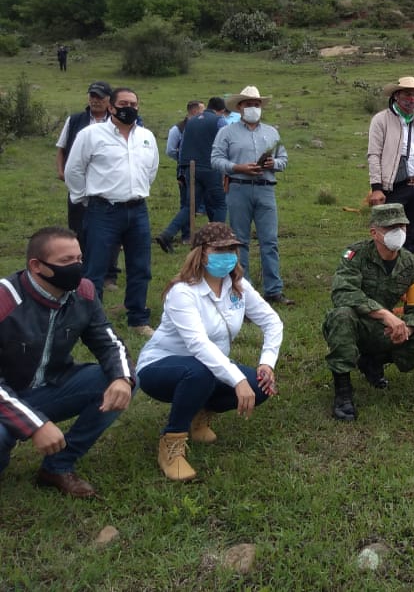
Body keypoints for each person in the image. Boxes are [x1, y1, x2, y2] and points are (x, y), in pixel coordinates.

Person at [136, 223, 282, 481]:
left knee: (260, 387)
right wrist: (236, 379)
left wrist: (266, 364)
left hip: (209, 366)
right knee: (200, 371)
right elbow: (197, 344)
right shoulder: (182, 292)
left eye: (232, 249)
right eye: (219, 249)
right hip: (160, 368)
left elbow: (272, 322)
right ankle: (172, 444)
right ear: (201, 253)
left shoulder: (237, 286)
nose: (228, 254)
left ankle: (199, 414)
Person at [0, 226, 134, 498]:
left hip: (50, 388)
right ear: (36, 266)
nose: (76, 267)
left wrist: (122, 378)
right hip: (5, 397)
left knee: (119, 381)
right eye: (66, 261)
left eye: (79, 259)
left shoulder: (83, 293)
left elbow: (108, 341)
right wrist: (34, 425)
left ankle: (57, 466)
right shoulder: (5, 299)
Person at [322, 204, 414, 421]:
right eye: (390, 227)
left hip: (385, 331)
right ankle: (343, 391)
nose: (398, 233)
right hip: (356, 325)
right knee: (341, 316)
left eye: (401, 226)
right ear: (374, 232)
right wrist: (386, 315)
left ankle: (373, 362)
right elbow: (343, 292)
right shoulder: (355, 255)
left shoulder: (412, 264)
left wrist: (408, 328)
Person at [64, 86, 160, 336]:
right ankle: (91, 321)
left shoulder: (146, 137)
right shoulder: (91, 134)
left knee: (140, 267)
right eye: (124, 103)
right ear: (111, 107)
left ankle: (138, 319)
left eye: (133, 104)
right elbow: (74, 169)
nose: (129, 108)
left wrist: (136, 191)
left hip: (138, 210)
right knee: (95, 267)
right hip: (103, 210)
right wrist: (84, 198)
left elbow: (151, 171)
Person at [211, 85, 293, 306]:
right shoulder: (226, 132)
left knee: (270, 241)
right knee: (239, 241)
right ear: (240, 107)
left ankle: (274, 290)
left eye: (256, 105)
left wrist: (273, 163)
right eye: (249, 104)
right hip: (239, 188)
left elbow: (284, 159)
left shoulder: (272, 132)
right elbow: (216, 159)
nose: (253, 108)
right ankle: (241, 290)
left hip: (266, 188)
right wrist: (238, 167)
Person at [55, 80, 121, 292]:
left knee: (109, 231)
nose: (95, 100)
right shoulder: (75, 120)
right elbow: (62, 148)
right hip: (79, 187)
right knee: (78, 228)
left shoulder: (118, 122)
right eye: (92, 96)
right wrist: (62, 171)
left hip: (107, 188)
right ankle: (81, 272)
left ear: (109, 100)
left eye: (100, 97)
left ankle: (109, 275)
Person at [367, 76, 414, 255]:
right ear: (396, 95)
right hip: (394, 187)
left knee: (413, 235)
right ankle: (388, 274)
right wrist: (377, 188)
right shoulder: (381, 120)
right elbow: (374, 155)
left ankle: (408, 275)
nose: (412, 99)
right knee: (391, 234)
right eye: (408, 95)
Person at [156, 97, 229, 252]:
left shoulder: (191, 121)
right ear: (221, 111)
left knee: (190, 206)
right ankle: (218, 241)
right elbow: (226, 142)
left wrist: (182, 168)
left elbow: (182, 147)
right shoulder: (219, 121)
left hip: (191, 167)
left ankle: (167, 234)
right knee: (220, 204)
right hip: (211, 167)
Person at [160, 101, 205, 247]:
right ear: (194, 111)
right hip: (184, 170)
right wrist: (182, 160)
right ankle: (185, 235)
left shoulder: (202, 127)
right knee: (186, 202)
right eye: (202, 110)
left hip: (202, 170)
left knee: (196, 202)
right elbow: (170, 150)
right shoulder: (177, 129)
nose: (204, 114)